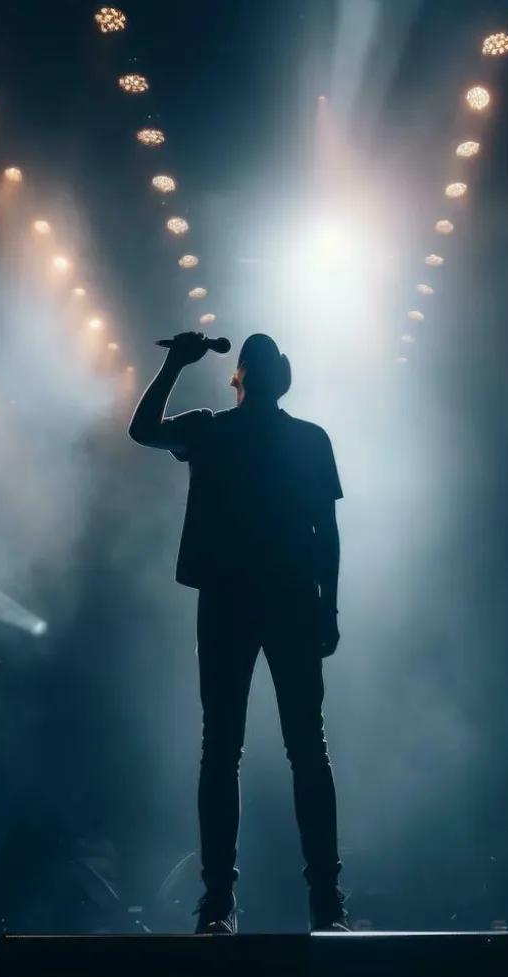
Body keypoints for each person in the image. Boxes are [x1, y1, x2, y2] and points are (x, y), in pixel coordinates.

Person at [128, 331, 349, 934]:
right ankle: (316, 900)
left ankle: (227, 900)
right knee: (294, 747)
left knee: (230, 749)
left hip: (241, 600)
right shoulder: (297, 438)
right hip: (279, 601)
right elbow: (324, 533)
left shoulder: (218, 432)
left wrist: (177, 361)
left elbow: (326, 532)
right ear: (261, 376)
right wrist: (327, 610)